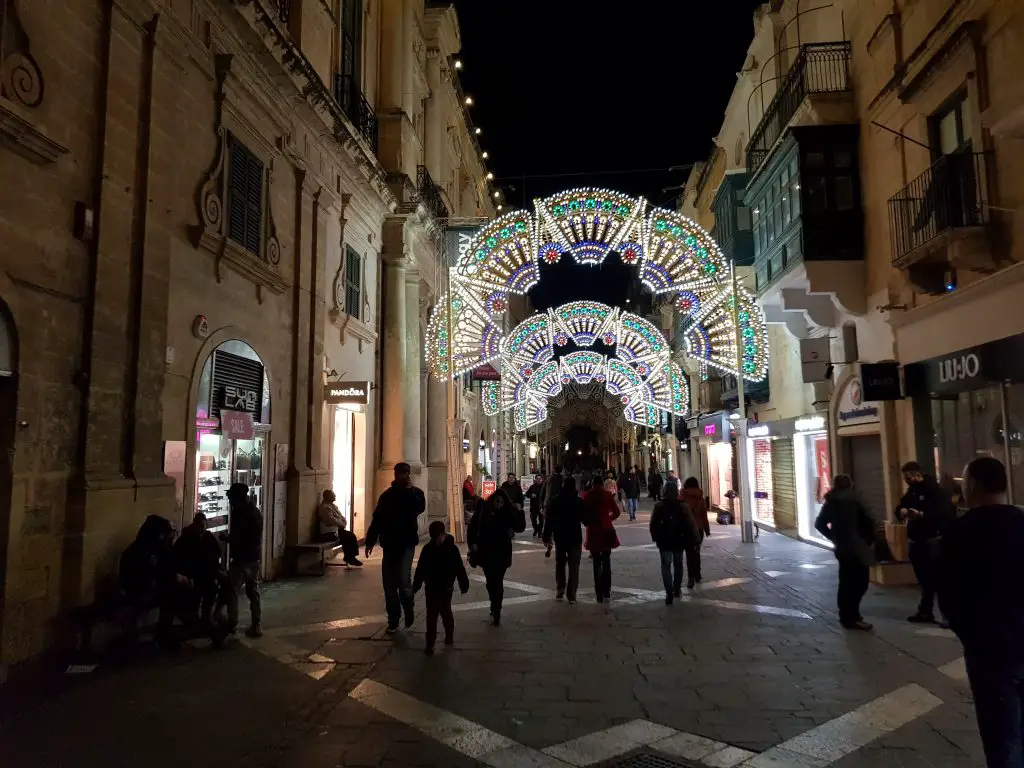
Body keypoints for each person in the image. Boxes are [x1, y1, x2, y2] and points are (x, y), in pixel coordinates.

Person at [937, 457, 1024, 768]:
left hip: (990, 650)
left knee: (1001, 736)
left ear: (972, 484)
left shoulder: (961, 533)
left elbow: (948, 595)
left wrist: (972, 636)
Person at [365, 462, 425, 633]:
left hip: (406, 544)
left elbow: (419, 508)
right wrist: (370, 540)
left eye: (404, 473)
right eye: (398, 473)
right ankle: (393, 619)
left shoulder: (415, 494)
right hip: (390, 544)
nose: (400, 476)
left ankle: (408, 608)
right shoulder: (387, 496)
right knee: (389, 584)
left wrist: (410, 492)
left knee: (403, 580)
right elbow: (377, 519)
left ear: (408, 474)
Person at [896, 461, 955, 624]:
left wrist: (922, 515)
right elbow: (901, 505)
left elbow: (943, 514)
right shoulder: (912, 492)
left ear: (917, 474)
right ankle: (925, 612)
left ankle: (947, 616)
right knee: (924, 581)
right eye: (905, 477)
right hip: (916, 541)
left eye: (908, 477)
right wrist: (901, 511)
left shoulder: (934, 491)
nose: (906, 480)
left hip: (932, 540)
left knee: (939, 579)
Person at [814, 474, 876, 631]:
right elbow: (868, 522)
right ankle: (852, 617)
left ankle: (847, 616)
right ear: (850, 485)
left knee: (846, 582)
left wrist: (835, 538)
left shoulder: (832, 501)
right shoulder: (854, 500)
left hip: (843, 548)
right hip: (857, 547)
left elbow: (820, 524)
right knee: (859, 583)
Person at [120, 514, 191, 648]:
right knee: (172, 593)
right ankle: (167, 634)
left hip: (149, 588)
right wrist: (173, 577)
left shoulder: (155, 547)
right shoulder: (141, 550)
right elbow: (149, 573)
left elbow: (168, 564)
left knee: (177, 590)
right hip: (138, 591)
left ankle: (173, 630)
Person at [467, 488, 526, 625]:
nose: (499, 504)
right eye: (497, 501)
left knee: (497, 582)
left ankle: (496, 609)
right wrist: (472, 544)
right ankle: (494, 603)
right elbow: (473, 527)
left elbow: (519, 527)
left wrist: (520, 512)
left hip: (501, 552)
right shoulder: (484, 510)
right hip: (486, 551)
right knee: (490, 581)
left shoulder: (507, 513)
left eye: (502, 502)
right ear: (492, 500)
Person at [413, 520, 470, 655]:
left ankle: (449, 634)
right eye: (434, 537)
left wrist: (464, 583)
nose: (437, 540)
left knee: (445, 612)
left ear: (443, 534)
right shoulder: (428, 548)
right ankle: (430, 643)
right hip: (431, 587)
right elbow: (420, 568)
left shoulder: (452, 549)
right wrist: (416, 585)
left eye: (439, 537)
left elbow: (459, 568)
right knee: (431, 615)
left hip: (446, 587)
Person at [223, 483, 264, 638]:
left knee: (232, 590)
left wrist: (228, 539)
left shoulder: (241, 513)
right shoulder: (254, 511)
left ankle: (232, 622)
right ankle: (256, 624)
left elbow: (241, 536)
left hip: (242, 558)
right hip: (253, 558)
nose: (229, 500)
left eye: (231, 497)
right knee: (253, 591)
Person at [650, 485, 699, 604]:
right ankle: (676, 589)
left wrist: (655, 538)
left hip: (664, 542)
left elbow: (653, 524)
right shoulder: (683, 506)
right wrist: (696, 538)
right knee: (678, 565)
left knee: (666, 566)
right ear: (676, 493)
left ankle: (669, 593)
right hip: (679, 540)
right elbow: (691, 523)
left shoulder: (659, 506)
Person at [173, 513, 223, 629]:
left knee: (211, 590)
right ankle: (196, 621)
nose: (201, 529)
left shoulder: (207, 537)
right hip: (192, 575)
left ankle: (206, 618)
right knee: (196, 595)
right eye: (200, 526)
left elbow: (216, 554)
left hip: (205, 575)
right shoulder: (185, 539)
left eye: (203, 527)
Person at [543, 476, 587, 603]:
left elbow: (549, 520)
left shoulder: (555, 501)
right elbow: (585, 519)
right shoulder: (579, 501)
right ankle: (572, 594)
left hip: (560, 536)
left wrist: (546, 536)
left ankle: (560, 589)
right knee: (574, 566)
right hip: (575, 537)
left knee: (560, 564)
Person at [585, 479, 621, 602]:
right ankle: (607, 591)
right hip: (606, 530)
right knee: (606, 561)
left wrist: (588, 523)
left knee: (596, 563)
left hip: (594, 531)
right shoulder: (607, 495)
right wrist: (608, 519)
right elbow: (616, 512)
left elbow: (584, 514)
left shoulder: (587, 495)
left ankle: (598, 593)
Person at [317, 489, 362, 567]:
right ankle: (350, 558)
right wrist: (341, 523)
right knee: (348, 537)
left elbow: (341, 517)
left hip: (336, 530)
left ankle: (350, 557)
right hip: (328, 533)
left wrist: (343, 522)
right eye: (333, 495)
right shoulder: (324, 507)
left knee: (351, 535)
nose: (335, 496)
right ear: (328, 496)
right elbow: (331, 520)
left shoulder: (333, 506)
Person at [680, 477, 711, 588]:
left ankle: (691, 578)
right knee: (696, 552)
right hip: (699, 529)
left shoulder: (682, 497)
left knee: (689, 554)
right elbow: (703, 515)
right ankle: (697, 574)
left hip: (687, 529)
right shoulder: (700, 498)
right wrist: (707, 529)